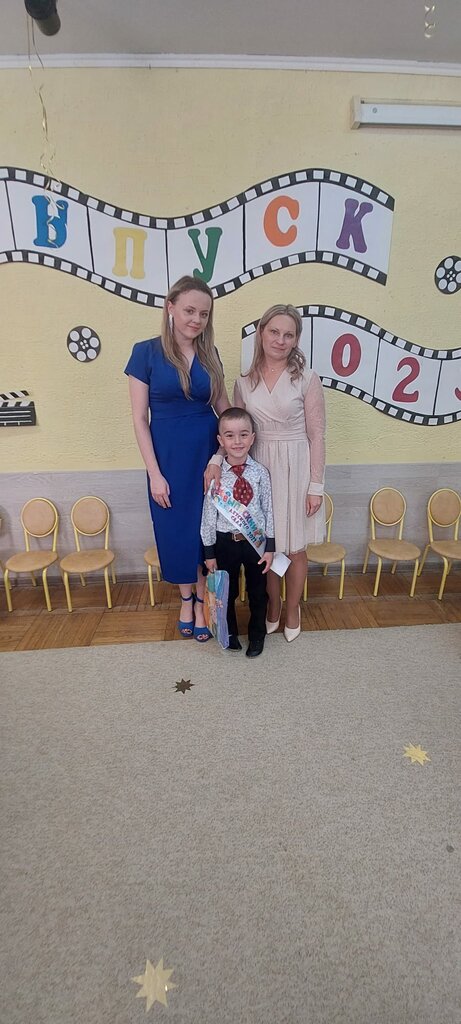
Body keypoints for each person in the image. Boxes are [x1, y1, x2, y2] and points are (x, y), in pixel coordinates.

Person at [208, 304, 326, 643]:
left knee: (295, 547)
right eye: (274, 331)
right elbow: (235, 431)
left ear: (296, 339)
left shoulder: (307, 379)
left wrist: (316, 485)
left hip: (296, 467)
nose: (280, 340)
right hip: (258, 470)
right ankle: (273, 605)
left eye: (289, 334)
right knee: (267, 546)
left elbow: (317, 434)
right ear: (261, 333)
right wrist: (217, 458)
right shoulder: (244, 382)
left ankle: (293, 608)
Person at [125, 275, 230, 642]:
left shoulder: (210, 354)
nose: (196, 319)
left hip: (205, 460)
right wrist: (154, 473)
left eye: (204, 313)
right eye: (189, 310)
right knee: (177, 533)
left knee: (205, 533)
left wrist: (222, 454)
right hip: (167, 459)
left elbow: (225, 411)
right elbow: (139, 419)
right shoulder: (145, 352)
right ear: (170, 307)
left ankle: (202, 603)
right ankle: (186, 599)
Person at [201, 408, 274, 658]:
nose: (237, 441)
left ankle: (257, 635)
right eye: (230, 435)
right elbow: (208, 516)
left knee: (258, 593)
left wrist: (270, 547)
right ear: (220, 441)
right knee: (227, 593)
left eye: (243, 435)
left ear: (252, 438)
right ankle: (229, 632)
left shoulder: (260, 473)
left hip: (255, 543)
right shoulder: (215, 475)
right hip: (225, 542)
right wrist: (209, 552)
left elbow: (268, 510)